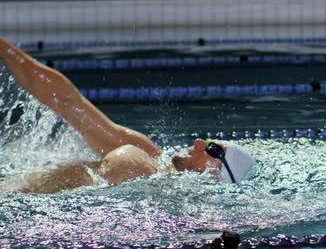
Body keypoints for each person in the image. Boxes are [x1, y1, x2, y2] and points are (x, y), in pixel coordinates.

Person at [0, 37, 255, 193]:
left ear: (215, 174)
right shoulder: (147, 152)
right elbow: (67, 101)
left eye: (213, 150)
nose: (200, 141)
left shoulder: (148, 184)